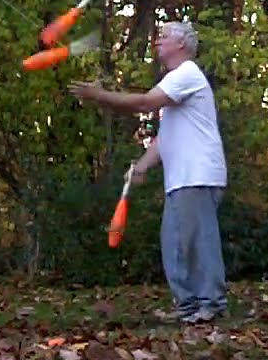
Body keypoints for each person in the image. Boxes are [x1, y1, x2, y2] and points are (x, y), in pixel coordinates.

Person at [68, 21, 228, 324]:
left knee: (196, 243)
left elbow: (143, 103)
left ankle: (212, 304)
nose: (157, 40)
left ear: (181, 44)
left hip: (197, 175)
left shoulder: (186, 74)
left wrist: (99, 95)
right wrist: (141, 166)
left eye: (164, 36)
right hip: (183, 178)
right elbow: (164, 138)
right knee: (175, 243)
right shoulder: (174, 82)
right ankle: (189, 307)